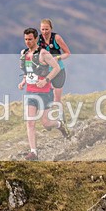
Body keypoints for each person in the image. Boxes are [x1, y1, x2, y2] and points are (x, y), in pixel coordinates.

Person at [18, 27, 70, 161]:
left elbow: (57, 68)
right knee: (30, 123)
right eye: (25, 39)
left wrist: (46, 80)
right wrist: (23, 81)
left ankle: (59, 124)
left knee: (46, 123)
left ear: (36, 39)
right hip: (30, 93)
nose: (27, 42)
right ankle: (33, 153)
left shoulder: (44, 54)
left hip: (45, 92)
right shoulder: (24, 54)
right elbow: (28, 70)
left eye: (30, 39)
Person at [37, 18, 71, 105]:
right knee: (45, 98)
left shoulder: (57, 38)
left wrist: (57, 58)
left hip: (58, 70)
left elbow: (67, 53)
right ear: (40, 29)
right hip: (45, 71)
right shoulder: (38, 39)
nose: (44, 32)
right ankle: (46, 117)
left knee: (57, 99)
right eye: (43, 29)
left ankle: (60, 117)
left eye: (47, 29)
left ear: (51, 28)